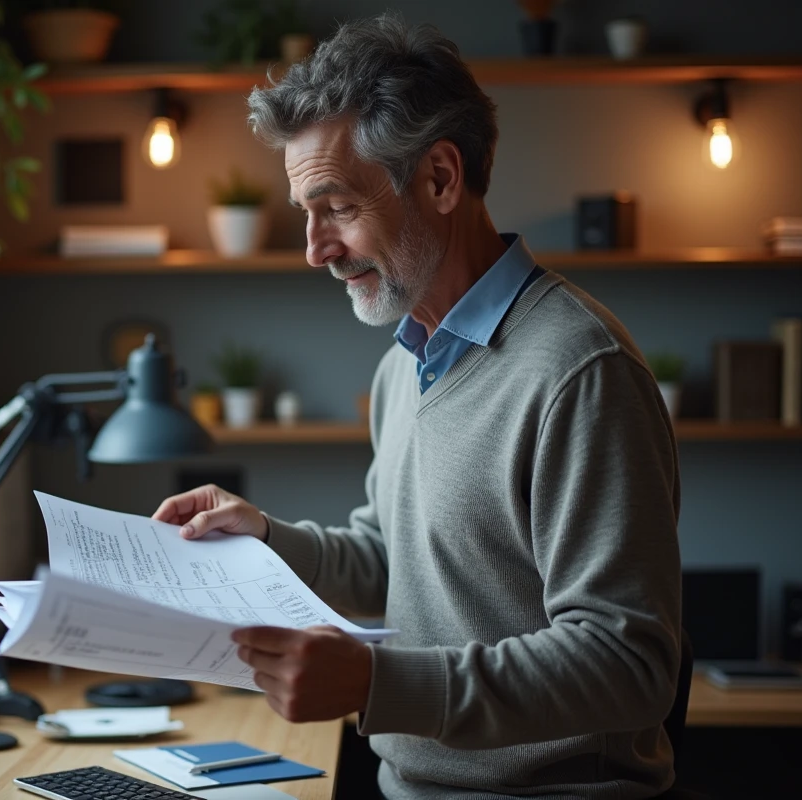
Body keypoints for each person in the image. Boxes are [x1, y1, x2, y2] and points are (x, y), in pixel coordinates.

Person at [152, 13, 681, 800]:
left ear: (439, 178)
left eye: (336, 207)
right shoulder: (407, 362)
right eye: (306, 213)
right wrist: (263, 539)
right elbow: (396, 561)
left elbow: (628, 663)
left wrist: (376, 682)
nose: (314, 249)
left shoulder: (579, 370)